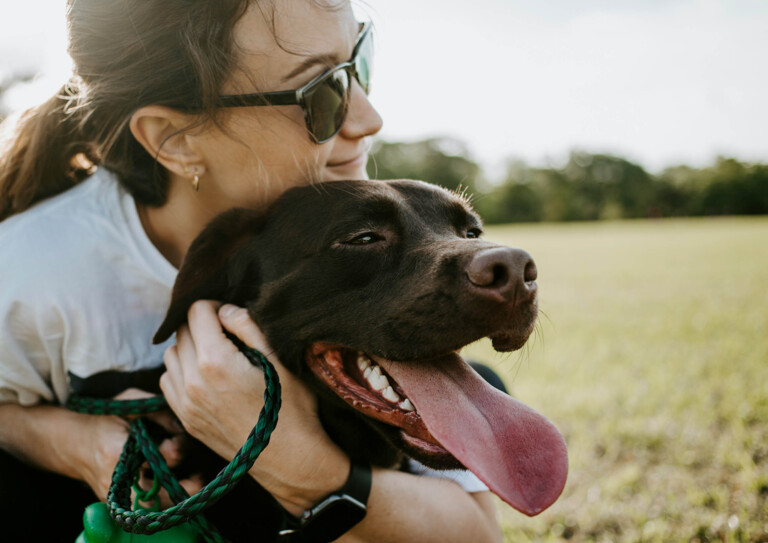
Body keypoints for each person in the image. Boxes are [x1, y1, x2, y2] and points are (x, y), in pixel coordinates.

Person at [0, 0, 504, 541]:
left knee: (481, 382)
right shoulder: (28, 271)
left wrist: (295, 459)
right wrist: (79, 444)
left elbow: (476, 535)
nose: (368, 117)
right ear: (176, 139)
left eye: (360, 61)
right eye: (321, 92)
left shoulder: (358, 204)